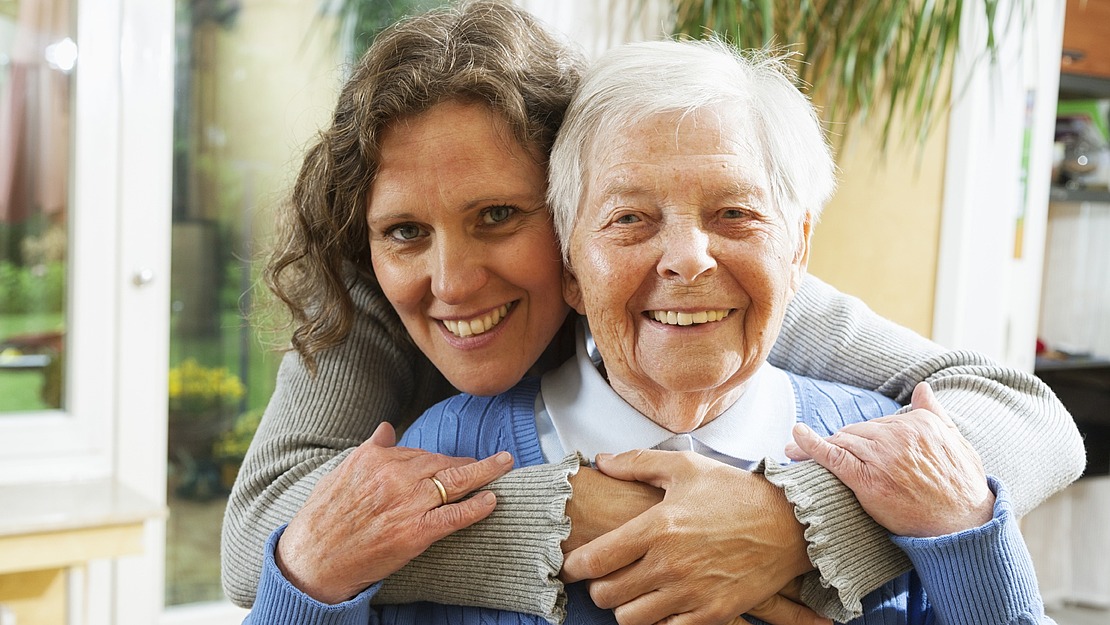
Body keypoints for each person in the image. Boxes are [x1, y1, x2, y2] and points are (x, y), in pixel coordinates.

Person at [222, 2, 1084, 623]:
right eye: (406, 230)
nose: (453, 279)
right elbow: (269, 545)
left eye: (498, 215)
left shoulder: (727, 291)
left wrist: (794, 518)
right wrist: (573, 513)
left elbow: (1029, 417)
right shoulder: (374, 316)